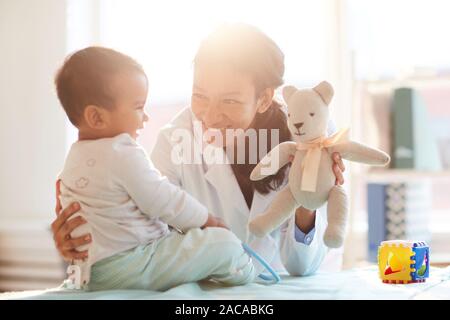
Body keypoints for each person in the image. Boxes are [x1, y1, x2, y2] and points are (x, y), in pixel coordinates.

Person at [52, 23, 346, 280]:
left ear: (264, 99)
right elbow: (148, 246)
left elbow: (302, 266)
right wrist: (92, 230)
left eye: (229, 101)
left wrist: (308, 196)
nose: (210, 115)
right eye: (200, 96)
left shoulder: (308, 132)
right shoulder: (174, 143)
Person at [53, 46, 255, 291]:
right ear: (96, 117)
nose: (146, 117)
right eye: (139, 107)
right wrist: (207, 219)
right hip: (132, 264)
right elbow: (163, 198)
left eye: (230, 98)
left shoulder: (72, 163)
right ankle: (242, 269)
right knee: (224, 243)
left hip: (90, 273)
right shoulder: (122, 151)